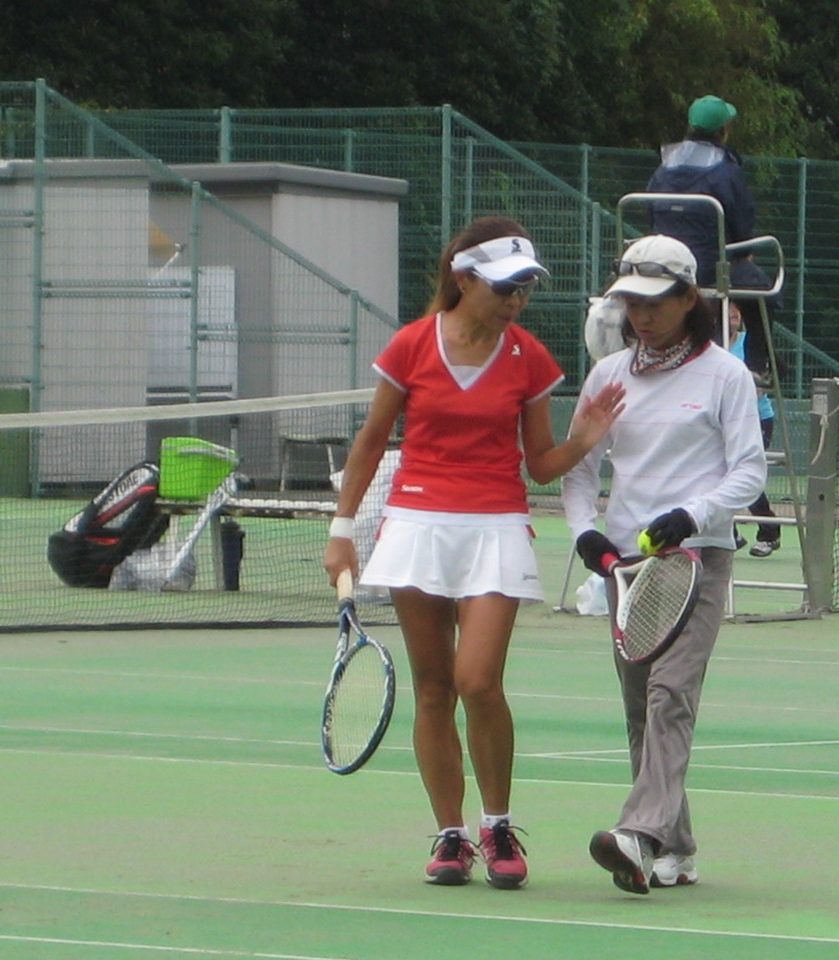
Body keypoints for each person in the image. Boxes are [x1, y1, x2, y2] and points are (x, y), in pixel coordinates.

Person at [323, 215, 624, 891]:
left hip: (494, 527)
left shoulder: (529, 359)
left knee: (477, 681)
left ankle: (497, 824)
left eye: (524, 289)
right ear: (464, 280)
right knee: (433, 690)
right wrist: (342, 528)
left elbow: (541, 465)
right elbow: (372, 440)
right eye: (504, 287)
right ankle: (451, 837)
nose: (516, 300)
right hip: (417, 525)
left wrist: (586, 439)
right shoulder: (410, 346)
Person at [562, 234, 767, 894]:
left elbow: (749, 473)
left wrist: (691, 516)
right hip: (628, 568)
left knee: (669, 696)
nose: (640, 316)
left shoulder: (725, 376)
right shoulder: (607, 376)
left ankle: (635, 834)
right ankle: (672, 848)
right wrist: (585, 535)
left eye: (654, 302)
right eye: (630, 303)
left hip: (698, 559)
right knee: (641, 713)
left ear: (687, 298)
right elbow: (577, 471)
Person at [646, 93, 776, 376]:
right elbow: (742, 222)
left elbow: (650, 213)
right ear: (723, 131)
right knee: (766, 293)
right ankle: (757, 364)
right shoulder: (725, 171)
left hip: (665, 268)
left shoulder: (664, 168)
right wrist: (742, 251)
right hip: (711, 267)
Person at [727, 301, 781, 557]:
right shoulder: (709, 346)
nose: (733, 316)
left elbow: (770, 377)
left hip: (757, 419)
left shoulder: (752, 344)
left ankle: (769, 533)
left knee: (745, 472)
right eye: (728, 311)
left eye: (737, 313)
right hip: (723, 421)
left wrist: (755, 390)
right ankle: (729, 532)